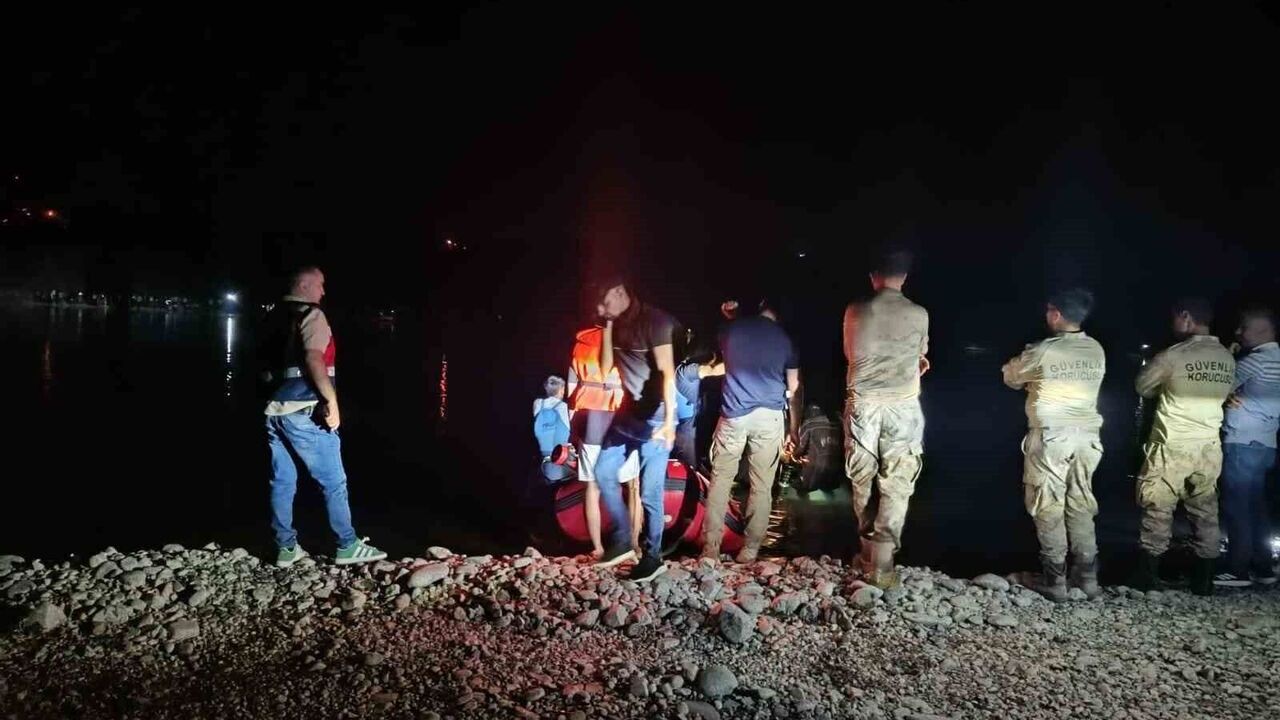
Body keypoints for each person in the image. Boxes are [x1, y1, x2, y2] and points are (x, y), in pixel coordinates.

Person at [260, 266, 387, 568]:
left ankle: (285, 548)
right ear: (304, 285)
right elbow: (313, 358)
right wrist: (331, 401)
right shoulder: (312, 315)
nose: (324, 291)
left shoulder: (274, 317)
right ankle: (347, 544)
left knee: (282, 482)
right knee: (333, 481)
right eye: (320, 284)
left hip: (274, 411)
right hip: (304, 412)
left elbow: (264, 368)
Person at [1002, 288, 1105, 601]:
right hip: (1088, 437)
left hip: (1052, 437)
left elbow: (1010, 377)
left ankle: (1054, 580)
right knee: (1081, 502)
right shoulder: (1096, 349)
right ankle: (1087, 578)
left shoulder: (1044, 350)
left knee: (1047, 503)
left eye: (1049, 311)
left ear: (1056, 314)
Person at [1133, 297, 1235, 596]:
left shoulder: (1173, 356)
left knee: (1158, 507)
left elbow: (1143, 387)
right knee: (1205, 511)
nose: (1173, 324)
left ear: (1186, 317)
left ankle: (1148, 577)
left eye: (1175, 318)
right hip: (1208, 446)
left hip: (1173, 444)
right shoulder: (1226, 358)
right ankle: (1204, 581)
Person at [842, 249, 929, 589]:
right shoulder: (919, 313)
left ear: (873, 276)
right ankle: (882, 561)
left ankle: (866, 552)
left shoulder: (855, 310)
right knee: (897, 481)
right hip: (902, 407)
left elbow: (851, 353)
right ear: (904, 277)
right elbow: (920, 354)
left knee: (862, 475)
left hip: (863, 404)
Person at [592, 277, 681, 582]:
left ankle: (653, 557)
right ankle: (621, 540)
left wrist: (669, 422)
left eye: (604, 302)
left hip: (656, 419)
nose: (599, 308)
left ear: (620, 291)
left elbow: (668, 374)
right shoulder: (614, 321)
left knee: (649, 492)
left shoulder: (655, 321)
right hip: (627, 416)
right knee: (602, 471)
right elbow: (604, 367)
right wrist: (607, 324)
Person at [701, 298, 801, 563]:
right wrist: (793, 428)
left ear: (760, 307)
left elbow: (725, 347)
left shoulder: (731, 330)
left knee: (721, 480)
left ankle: (710, 549)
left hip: (733, 415)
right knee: (762, 485)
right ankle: (750, 550)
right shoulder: (786, 340)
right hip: (769, 417)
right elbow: (794, 388)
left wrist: (730, 317)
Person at [1215, 306, 1280, 588]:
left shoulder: (1254, 361)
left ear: (1263, 331)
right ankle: (1263, 567)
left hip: (1242, 440)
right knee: (1257, 506)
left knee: (1237, 505)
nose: (1238, 332)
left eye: (1244, 327)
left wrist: (1231, 355)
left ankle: (1237, 569)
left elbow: (1219, 385)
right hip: (1267, 442)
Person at [566, 326, 641, 558]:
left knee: (592, 486)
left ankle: (597, 547)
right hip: (619, 418)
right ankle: (634, 543)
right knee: (633, 485)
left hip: (589, 419)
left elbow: (570, 390)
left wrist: (572, 431)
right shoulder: (627, 340)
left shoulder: (580, 345)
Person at [673, 352, 725, 469]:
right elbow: (713, 370)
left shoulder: (684, 369)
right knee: (689, 465)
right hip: (686, 426)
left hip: (690, 421)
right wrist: (738, 364)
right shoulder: (687, 370)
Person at [792, 404, 843, 492]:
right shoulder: (839, 423)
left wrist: (794, 456)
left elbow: (799, 449)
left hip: (812, 481)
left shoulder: (809, 423)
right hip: (834, 480)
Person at [532, 375, 571, 460]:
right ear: (561, 390)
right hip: (560, 453)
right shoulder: (564, 406)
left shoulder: (538, 403)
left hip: (541, 450)